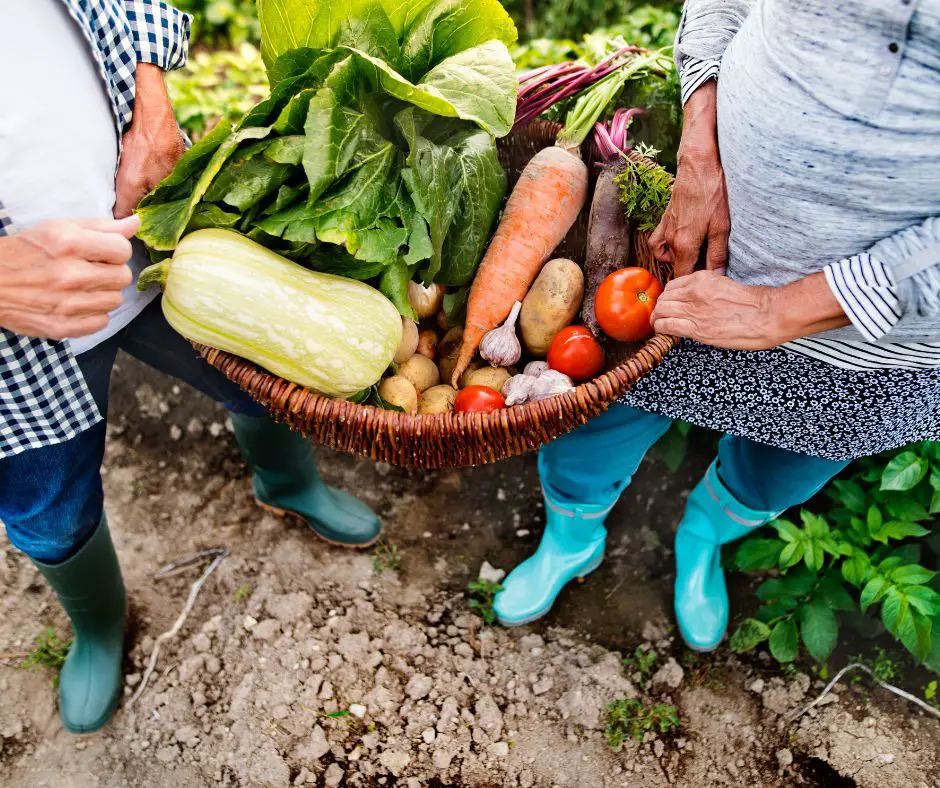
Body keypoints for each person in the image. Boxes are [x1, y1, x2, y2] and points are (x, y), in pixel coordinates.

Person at [494, 0, 940, 647]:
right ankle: (572, 541)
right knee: (591, 422)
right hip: (692, 259)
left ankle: (700, 538)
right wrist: (699, 143)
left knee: (775, 474)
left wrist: (777, 311)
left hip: (875, 346)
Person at [0, 1, 381, 734]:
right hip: (14, 347)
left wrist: (150, 100)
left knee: (266, 376)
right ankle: (101, 625)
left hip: (157, 219)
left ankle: (288, 482)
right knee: (48, 503)